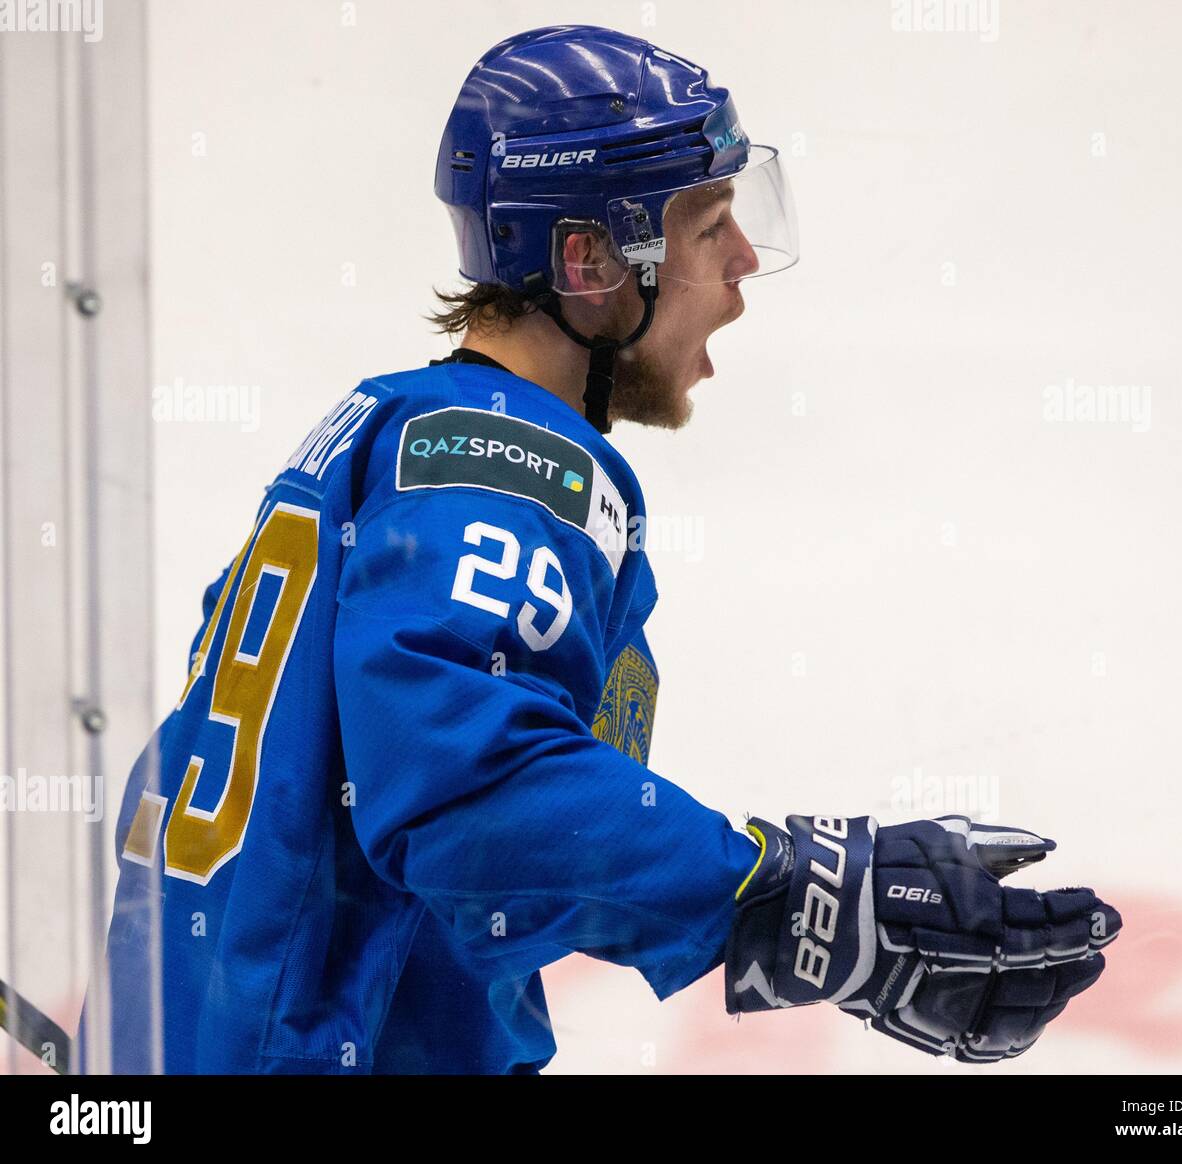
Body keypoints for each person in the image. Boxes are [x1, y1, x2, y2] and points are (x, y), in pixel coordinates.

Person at [78, 24, 1120, 1075]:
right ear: (588, 263)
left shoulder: (387, 432)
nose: (744, 266)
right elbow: (467, 792)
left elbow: (476, 864)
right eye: (709, 227)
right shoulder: (506, 457)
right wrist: (787, 892)